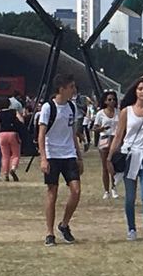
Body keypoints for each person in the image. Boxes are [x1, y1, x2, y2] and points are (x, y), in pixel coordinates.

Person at [107, 77, 143, 245]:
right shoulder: (126, 111)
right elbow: (119, 135)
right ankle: (131, 228)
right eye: (140, 89)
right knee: (130, 197)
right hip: (130, 155)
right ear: (135, 91)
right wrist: (110, 157)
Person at [38, 74, 83, 246]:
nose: (74, 90)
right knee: (52, 192)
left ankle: (64, 224)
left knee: (76, 190)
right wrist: (43, 158)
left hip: (68, 153)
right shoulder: (48, 107)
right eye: (71, 86)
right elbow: (41, 134)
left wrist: (79, 156)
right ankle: (49, 233)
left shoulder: (72, 107)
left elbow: (72, 134)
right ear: (61, 88)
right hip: (52, 154)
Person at [93, 90, 120, 200]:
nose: (112, 101)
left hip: (115, 139)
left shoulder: (119, 112)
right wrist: (102, 128)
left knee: (114, 165)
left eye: (113, 99)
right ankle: (106, 190)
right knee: (105, 166)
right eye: (109, 99)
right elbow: (95, 128)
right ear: (105, 101)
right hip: (104, 139)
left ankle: (114, 187)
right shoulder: (100, 113)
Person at [0, 96, 25, 182]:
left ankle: (5, 174)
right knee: (15, 154)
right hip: (13, 133)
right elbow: (21, 121)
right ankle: (13, 168)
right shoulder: (13, 112)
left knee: (5, 155)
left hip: (2, 134)